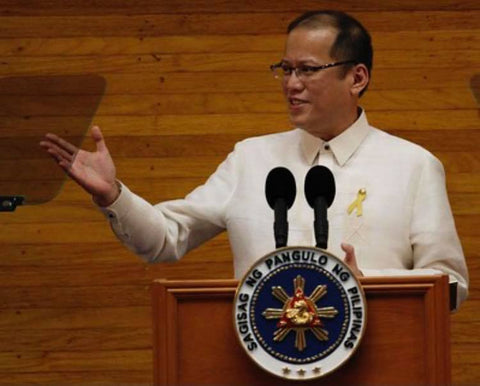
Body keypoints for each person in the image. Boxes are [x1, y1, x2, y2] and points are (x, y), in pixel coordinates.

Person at [40, 10, 468, 307]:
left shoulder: (413, 165)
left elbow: (451, 284)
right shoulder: (251, 158)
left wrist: (368, 285)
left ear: (356, 77)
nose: (291, 84)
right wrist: (112, 195)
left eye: (307, 69)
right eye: (285, 69)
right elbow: (165, 239)